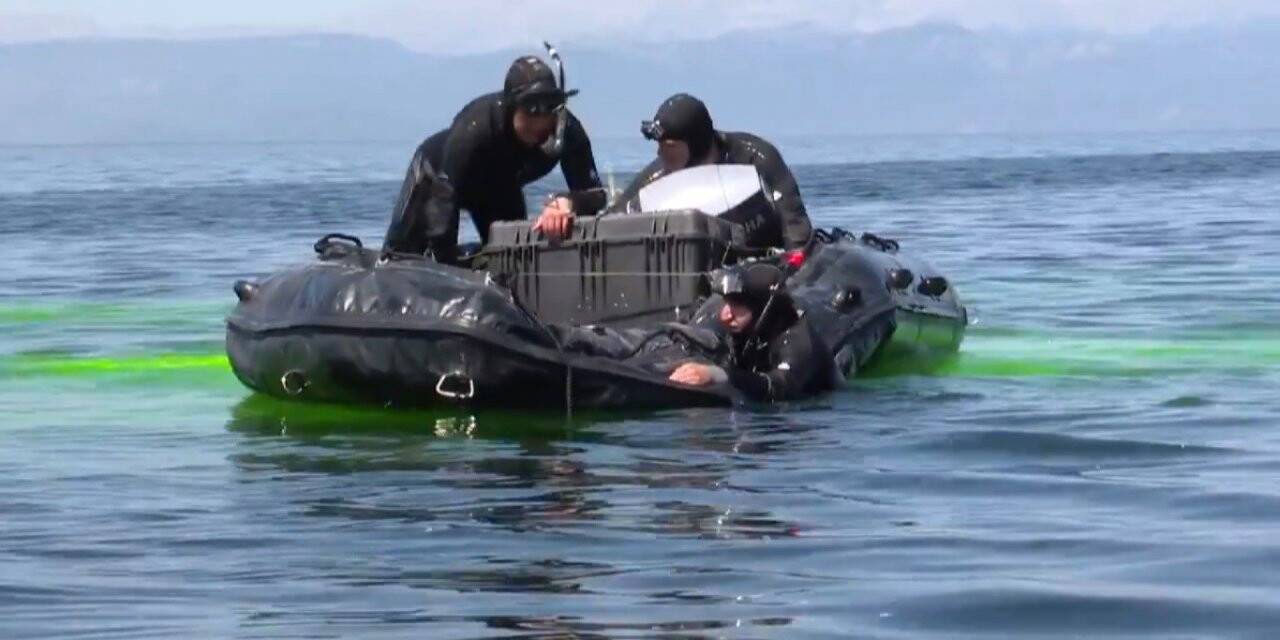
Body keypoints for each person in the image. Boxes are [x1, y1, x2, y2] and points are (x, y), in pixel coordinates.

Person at [382, 54, 606, 263]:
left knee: (513, 260)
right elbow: (444, 201)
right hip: (438, 178)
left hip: (499, 188)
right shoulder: (476, 127)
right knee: (400, 258)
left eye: (549, 108)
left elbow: (596, 196)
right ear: (511, 107)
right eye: (531, 109)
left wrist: (568, 202)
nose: (540, 121)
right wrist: (446, 262)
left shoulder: (567, 131)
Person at [613, 93, 813, 251]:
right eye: (659, 146)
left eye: (669, 147)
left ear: (697, 144)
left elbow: (796, 227)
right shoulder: (660, 172)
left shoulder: (757, 158)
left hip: (766, 260)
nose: (660, 153)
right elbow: (613, 219)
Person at [668, 263, 838, 401]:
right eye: (726, 303)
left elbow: (780, 387)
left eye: (737, 306)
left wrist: (716, 375)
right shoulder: (746, 332)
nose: (725, 315)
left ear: (763, 309)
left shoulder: (799, 341)